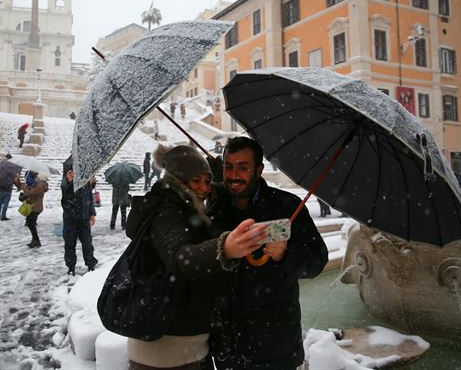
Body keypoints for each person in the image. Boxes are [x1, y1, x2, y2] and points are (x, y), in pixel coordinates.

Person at [125, 144, 267, 370]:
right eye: (196, 181)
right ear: (178, 181)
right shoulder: (167, 210)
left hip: (185, 342)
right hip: (165, 349)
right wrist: (224, 248)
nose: (203, 188)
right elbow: (181, 258)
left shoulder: (184, 204)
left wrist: (225, 177)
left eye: (207, 180)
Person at [207, 137, 329, 370]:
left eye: (243, 168)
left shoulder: (287, 206)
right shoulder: (215, 208)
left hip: (276, 346)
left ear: (259, 170)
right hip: (227, 347)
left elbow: (317, 261)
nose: (233, 176)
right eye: (228, 167)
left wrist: (286, 254)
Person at [62, 166, 98, 275]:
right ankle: (71, 267)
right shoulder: (66, 180)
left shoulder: (85, 180)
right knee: (70, 244)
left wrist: (92, 213)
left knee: (87, 243)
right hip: (70, 219)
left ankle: (90, 264)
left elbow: (89, 198)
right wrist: (68, 182)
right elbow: (65, 199)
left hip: (84, 217)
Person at [16, 170, 49, 248]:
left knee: (31, 223)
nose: (36, 178)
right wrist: (19, 182)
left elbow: (30, 193)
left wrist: (23, 187)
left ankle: (36, 240)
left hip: (35, 208)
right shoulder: (38, 185)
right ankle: (35, 240)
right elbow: (30, 190)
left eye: (37, 177)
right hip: (34, 207)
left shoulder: (41, 186)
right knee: (30, 223)